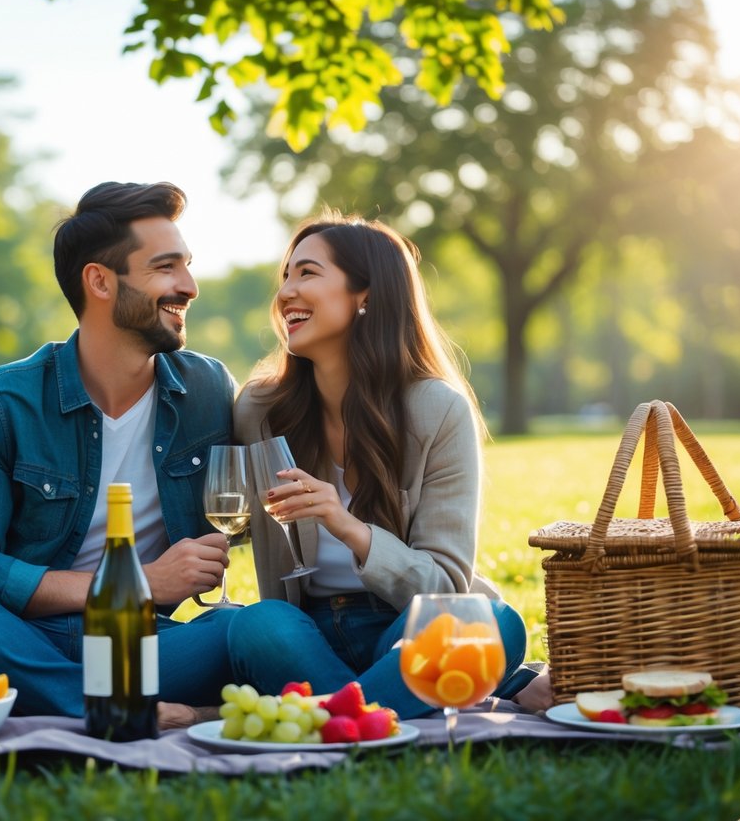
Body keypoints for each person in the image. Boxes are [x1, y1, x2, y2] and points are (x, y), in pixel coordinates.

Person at [0, 182, 238, 723]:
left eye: (187, 266)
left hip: (142, 645)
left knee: (253, 631)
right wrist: (140, 582)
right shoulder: (0, 402)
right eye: (166, 267)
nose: (189, 286)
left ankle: (58, 696)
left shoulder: (210, 391)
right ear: (99, 281)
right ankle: (112, 707)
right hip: (19, 632)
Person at [227, 213, 533, 718]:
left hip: (406, 626)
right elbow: (225, 516)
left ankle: (329, 719)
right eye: (285, 277)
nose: (285, 293)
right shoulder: (259, 409)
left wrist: (350, 528)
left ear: (364, 294)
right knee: (258, 624)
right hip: (306, 634)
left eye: (307, 273)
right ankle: (379, 713)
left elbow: (446, 586)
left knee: (490, 623)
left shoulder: (437, 410)